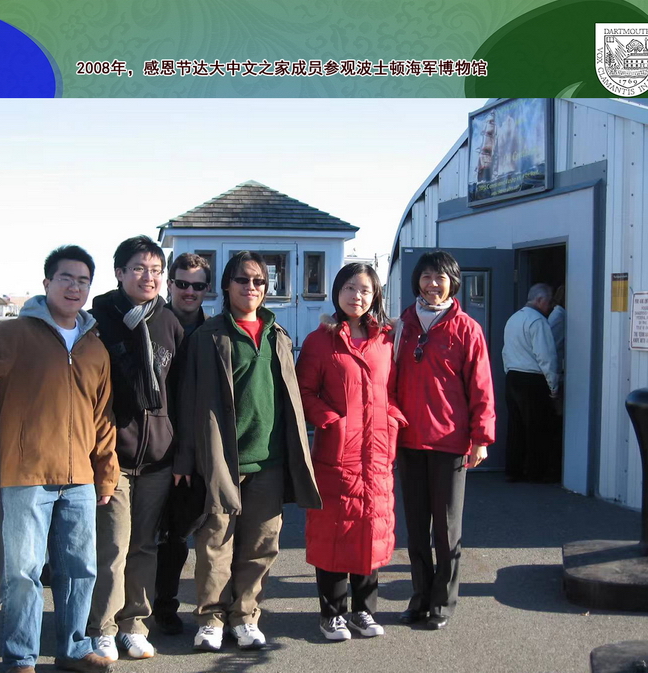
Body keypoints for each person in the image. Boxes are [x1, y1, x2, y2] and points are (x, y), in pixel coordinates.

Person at [0, 245, 118, 673]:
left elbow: (103, 418)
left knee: (80, 569)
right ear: (47, 283)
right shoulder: (17, 334)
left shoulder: (95, 348)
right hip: (26, 475)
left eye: (82, 281)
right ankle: (21, 657)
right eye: (66, 278)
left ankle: (73, 649)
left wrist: (105, 473)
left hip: (80, 478)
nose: (74, 287)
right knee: (23, 572)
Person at [174, 251, 321, 653]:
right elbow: (188, 402)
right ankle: (210, 619)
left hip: (269, 461)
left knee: (261, 545)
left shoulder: (278, 336)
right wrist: (186, 458)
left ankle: (245, 617)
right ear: (226, 286)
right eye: (242, 280)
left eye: (259, 281)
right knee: (215, 543)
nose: (251, 287)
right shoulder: (208, 337)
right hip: (221, 461)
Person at [295, 263, 407, 642]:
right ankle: (331, 614)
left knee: (371, 530)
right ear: (337, 292)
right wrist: (331, 420)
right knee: (333, 533)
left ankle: (363, 610)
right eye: (348, 288)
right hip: (337, 454)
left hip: (377, 453)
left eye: (364, 290)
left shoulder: (386, 340)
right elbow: (303, 392)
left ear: (375, 295)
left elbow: (392, 389)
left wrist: (393, 417)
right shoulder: (320, 341)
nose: (356, 296)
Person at [86, 236, 184, 662]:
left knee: (145, 546)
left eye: (156, 270)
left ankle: (134, 625)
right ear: (120, 273)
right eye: (140, 268)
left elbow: (180, 394)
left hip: (158, 458)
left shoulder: (170, 323)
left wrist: (180, 453)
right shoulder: (97, 322)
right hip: (114, 457)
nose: (149, 277)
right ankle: (102, 628)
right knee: (112, 547)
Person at [394, 250, 495, 631]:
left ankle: (443, 602)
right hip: (408, 440)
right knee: (416, 528)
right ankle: (419, 597)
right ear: (416, 281)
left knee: (447, 529)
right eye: (426, 277)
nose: (432, 284)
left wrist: (481, 438)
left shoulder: (467, 328)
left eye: (440, 277)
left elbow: (481, 387)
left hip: (450, 442)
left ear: (453, 283)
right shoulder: (402, 325)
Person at [152, 252, 211, 635]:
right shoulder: (150, 324)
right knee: (140, 536)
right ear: (170, 284)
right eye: (183, 284)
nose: (190, 291)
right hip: (151, 446)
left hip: (195, 451)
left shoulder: (213, 333)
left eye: (198, 285)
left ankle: (165, 606)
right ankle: (129, 610)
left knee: (178, 535)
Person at [502, 283, 561, 483]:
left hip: (513, 375)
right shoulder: (538, 322)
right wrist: (553, 387)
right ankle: (536, 472)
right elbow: (547, 357)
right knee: (537, 427)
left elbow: (505, 351)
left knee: (515, 426)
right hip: (533, 379)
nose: (551, 307)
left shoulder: (513, 319)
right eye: (549, 302)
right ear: (540, 300)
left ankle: (513, 470)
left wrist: (509, 371)